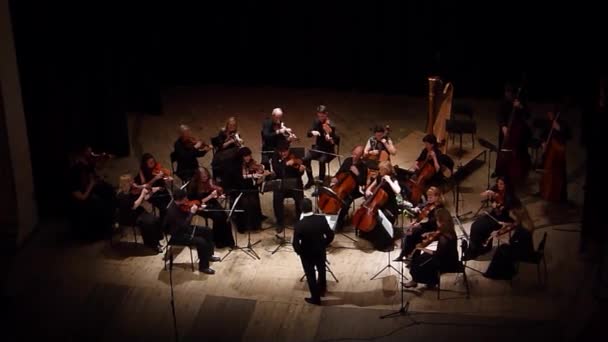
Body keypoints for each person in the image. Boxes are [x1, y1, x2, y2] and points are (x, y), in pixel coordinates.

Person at [164, 189, 221, 274]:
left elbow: (185, 219)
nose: (187, 200)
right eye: (185, 198)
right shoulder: (172, 211)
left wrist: (196, 209)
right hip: (178, 235)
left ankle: (209, 255)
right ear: (179, 199)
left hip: (184, 229)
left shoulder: (180, 205)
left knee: (207, 231)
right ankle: (203, 267)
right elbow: (184, 225)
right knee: (201, 241)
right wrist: (191, 213)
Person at [67, 144, 116, 240]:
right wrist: (91, 184)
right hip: (82, 199)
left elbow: (92, 174)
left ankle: (110, 224)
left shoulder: (86, 164)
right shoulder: (74, 172)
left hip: (89, 191)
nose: (91, 153)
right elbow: (82, 197)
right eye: (89, 151)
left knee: (109, 190)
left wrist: (99, 179)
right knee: (100, 203)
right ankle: (101, 231)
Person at [463, 177, 519, 260]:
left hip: (503, 219)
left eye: (501, 184)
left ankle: (478, 249)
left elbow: (501, 212)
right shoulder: (497, 190)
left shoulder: (509, 197)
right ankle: (475, 248)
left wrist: (495, 205)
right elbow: (491, 192)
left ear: (506, 185)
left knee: (479, 228)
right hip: (494, 215)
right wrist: (490, 195)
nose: (498, 185)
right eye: (498, 183)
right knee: (475, 224)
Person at [293, 198, 335, 305]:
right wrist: (324, 244)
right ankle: (322, 289)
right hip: (320, 250)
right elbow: (330, 235)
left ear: (301, 209)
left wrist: (300, 252)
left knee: (310, 274)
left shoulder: (299, 225)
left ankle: (315, 298)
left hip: (306, 253)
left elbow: (295, 244)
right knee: (322, 270)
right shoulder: (321, 220)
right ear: (311, 206)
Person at [404, 208, 459, 289]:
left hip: (447, 262)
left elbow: (437, 254)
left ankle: (416, 281)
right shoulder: (449, 229)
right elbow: (440, 235)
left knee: (417, 263)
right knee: (422, 257)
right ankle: (429, 282)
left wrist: (422, 248)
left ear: (441, 221)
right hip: (450, 257)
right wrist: (430, 233)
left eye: (437, 220)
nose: (436, 222)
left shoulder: (445, 238)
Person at [484, 204, 536, 280]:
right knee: (502, 249)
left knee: (501, 249)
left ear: (518, 217)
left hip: (524, 253)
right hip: (528, 248)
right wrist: (507, 224)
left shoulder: (521, 230)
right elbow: (515, 225)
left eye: (513, 215)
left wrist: (497, 236)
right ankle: (503, 270)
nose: (511, 217)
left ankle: (499, 273)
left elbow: (510, 242)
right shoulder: (528, 223)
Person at [358, 161, 401, 251]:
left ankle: (384, 242)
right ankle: (370, 236)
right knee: (372, 216)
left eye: (381, 169)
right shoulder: (379, 177)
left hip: (390, 207)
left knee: (380, 219)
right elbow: (371, 186)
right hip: (379, 204)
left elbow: (397, 191)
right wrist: (368, 190)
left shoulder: (393, 179)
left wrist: (389, 181)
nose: (379, 171)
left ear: (386, 170)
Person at [188, 167, 235, 249]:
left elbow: (213, 194)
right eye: (203, 177)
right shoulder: (193, 186)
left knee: (225, 217)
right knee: (218, 217)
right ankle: (218, 242)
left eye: (206, 176)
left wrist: (218, 196)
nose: (205, 178)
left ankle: (229, 241)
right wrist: (210, 196)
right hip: (200, 207)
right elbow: (196, 202)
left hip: (211, 202)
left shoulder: (208, 181)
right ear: (198, 177)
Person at [394, 186, 445, 261]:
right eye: (428, 197)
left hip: (434, 228)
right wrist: (417, 208)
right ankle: (407, 254)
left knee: (414, 234)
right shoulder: (429, 203)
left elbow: (433, 222)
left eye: (430, 197)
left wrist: (419, 224)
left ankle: (411, 256)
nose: (428, 199)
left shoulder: (439, 208)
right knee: (409, 233)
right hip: (426, 226)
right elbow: (421, 205)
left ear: (437, 197)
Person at [495, 86, 532, 185]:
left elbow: (528, 115)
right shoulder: (503, 102)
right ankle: (501, 172)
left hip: (518, 132)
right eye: (506, 93)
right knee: (502, 150)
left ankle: (518, 174)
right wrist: (503, 126)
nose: (507, 95)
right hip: (505, 132)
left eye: (509, 94)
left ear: (513, 94)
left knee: (519, 152)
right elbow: (499, 115)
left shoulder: (520, 101)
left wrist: (520, 107)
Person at [116, 174, 163, 252]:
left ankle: (157, 241)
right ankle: (153, 244)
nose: (134, 181)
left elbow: (142, 199)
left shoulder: (131, 190)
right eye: (131, 181)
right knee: (149, 222)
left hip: (137, 212)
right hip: (128, 216)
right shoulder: (122, 195)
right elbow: (134, 206)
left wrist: (153, 190)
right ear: (127, 183)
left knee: (155, 219)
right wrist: (142, 194)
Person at [330, 145, 368, 231]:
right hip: (341, 185)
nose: (354, 156)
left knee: (345, 204)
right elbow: (340, 172)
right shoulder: (348, 160)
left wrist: (357, 173)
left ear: (361, 156)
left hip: (353, 190)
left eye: (356, 155)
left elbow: (362, 182)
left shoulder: (363, 166)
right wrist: (335, 177)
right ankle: (330, 218)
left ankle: (340, 222)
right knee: (332, 195)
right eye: (353, 154)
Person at [271, 141, 306, 234]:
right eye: (281, 152)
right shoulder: (275, 157)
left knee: (300, 198)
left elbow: (299, 173)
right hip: (281, 184)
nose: (283, 154)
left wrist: (301, 170)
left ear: (288, 150)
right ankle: (280, 222)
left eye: (285, 152)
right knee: (277, 199)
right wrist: (285, 164)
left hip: (294, 183)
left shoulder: (295, 156)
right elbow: (276, 169)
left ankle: (299, 220)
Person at [538, 107, 571, 202]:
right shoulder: (548, 123)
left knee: (558, 175)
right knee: (546, 172)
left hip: (557, 156)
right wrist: (543, 142)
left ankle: (560, 196)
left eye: (550, 114)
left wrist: (559, 128)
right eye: (548, 114)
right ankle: (543, 191)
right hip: (549, 154)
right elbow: (542, 135)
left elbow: (569, 136)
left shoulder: (563, 123)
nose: (549, 116)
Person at [303, 105, 339, 189]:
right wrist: (312, 132)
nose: (321, 118)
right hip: (318, 147)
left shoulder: (331, 125)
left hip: (328, 149)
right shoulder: (316, 122)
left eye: (322, 116)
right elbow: (308, 134)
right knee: (305, 158)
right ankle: (310, 180)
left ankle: (321, 182)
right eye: (319, 116)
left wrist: (330, 138)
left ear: (326, 114)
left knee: (322, 161)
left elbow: (337, 140)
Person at [235, 147, 266, 233]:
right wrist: (252, 176)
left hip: (250, 186)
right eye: (246, 156)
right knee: (245, 203)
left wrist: (261, 173)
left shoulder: (251, 162)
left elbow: (258, 171)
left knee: (254, 202)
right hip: (241, 186)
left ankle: (255, 225)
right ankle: (244, 226)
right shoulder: (237, 165)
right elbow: (240, 176)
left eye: (249, 155)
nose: (248, 158)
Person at [136, 153, 172, 220]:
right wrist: (155, 178)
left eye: (153, 161)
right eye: (150, 163)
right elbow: (145, 186)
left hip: (161, 189)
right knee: (163, 208)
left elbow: (165, 180)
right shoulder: (142, 171)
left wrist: (167, 179)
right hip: (152, 193)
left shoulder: (157, 167)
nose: (153, 164)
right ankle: (163, 222)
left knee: (171, 204)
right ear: (145, 164)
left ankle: (168, 220)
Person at [211, 117, 244, 188]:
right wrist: (230, 141)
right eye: (231, 125)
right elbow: (220, 146)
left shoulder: (236, 133)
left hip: (232, 156)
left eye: (234, 125)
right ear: (227, 125)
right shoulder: (222, 132)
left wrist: (239, 142)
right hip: (222, 154)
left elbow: (238, 146)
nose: (232, 126)